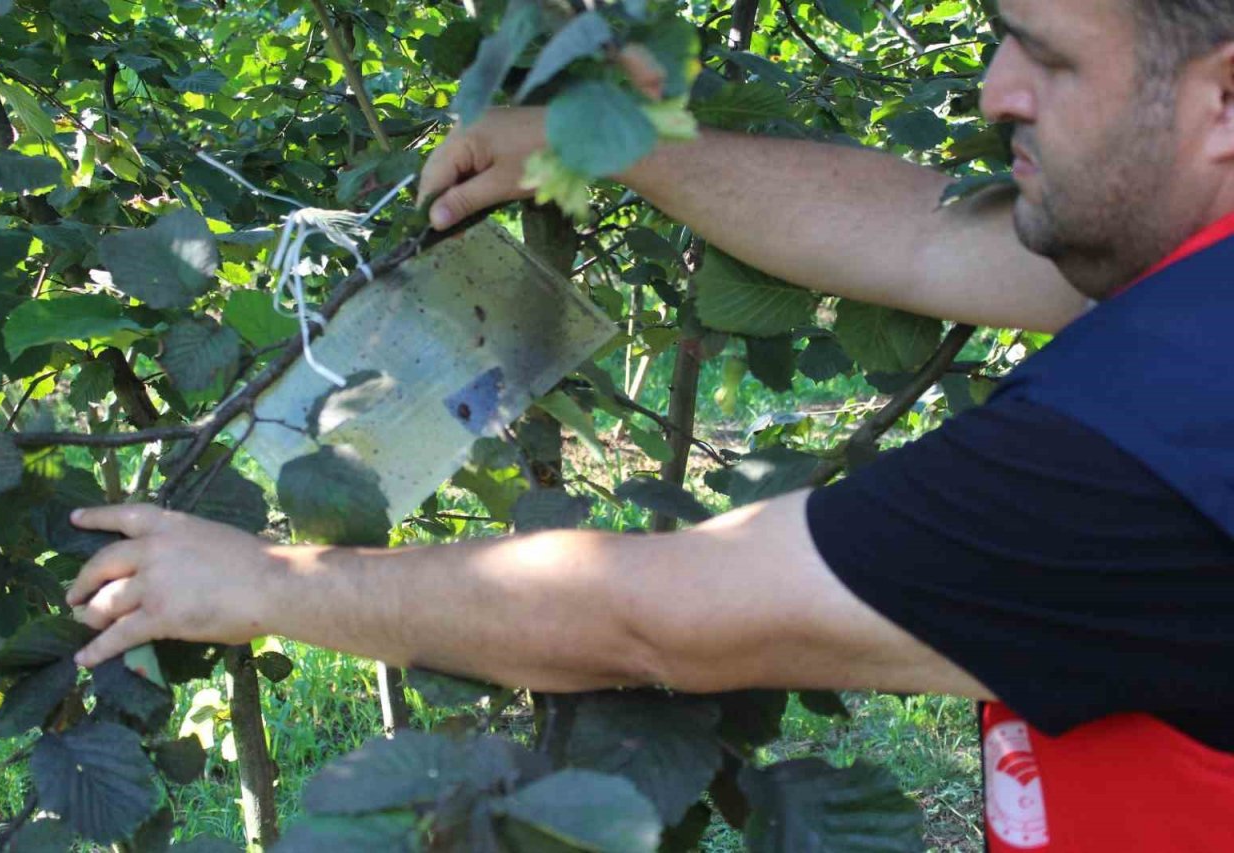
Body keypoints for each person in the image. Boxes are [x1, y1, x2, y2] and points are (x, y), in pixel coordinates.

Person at [66, 0, 1234, 849]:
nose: (992, 90)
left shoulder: (1146, 438)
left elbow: (663, 619)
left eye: (1048, 58)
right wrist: (620, 149)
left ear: (1220, 96)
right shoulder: (1186, 267)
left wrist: (265, 581)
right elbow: (921, 236)